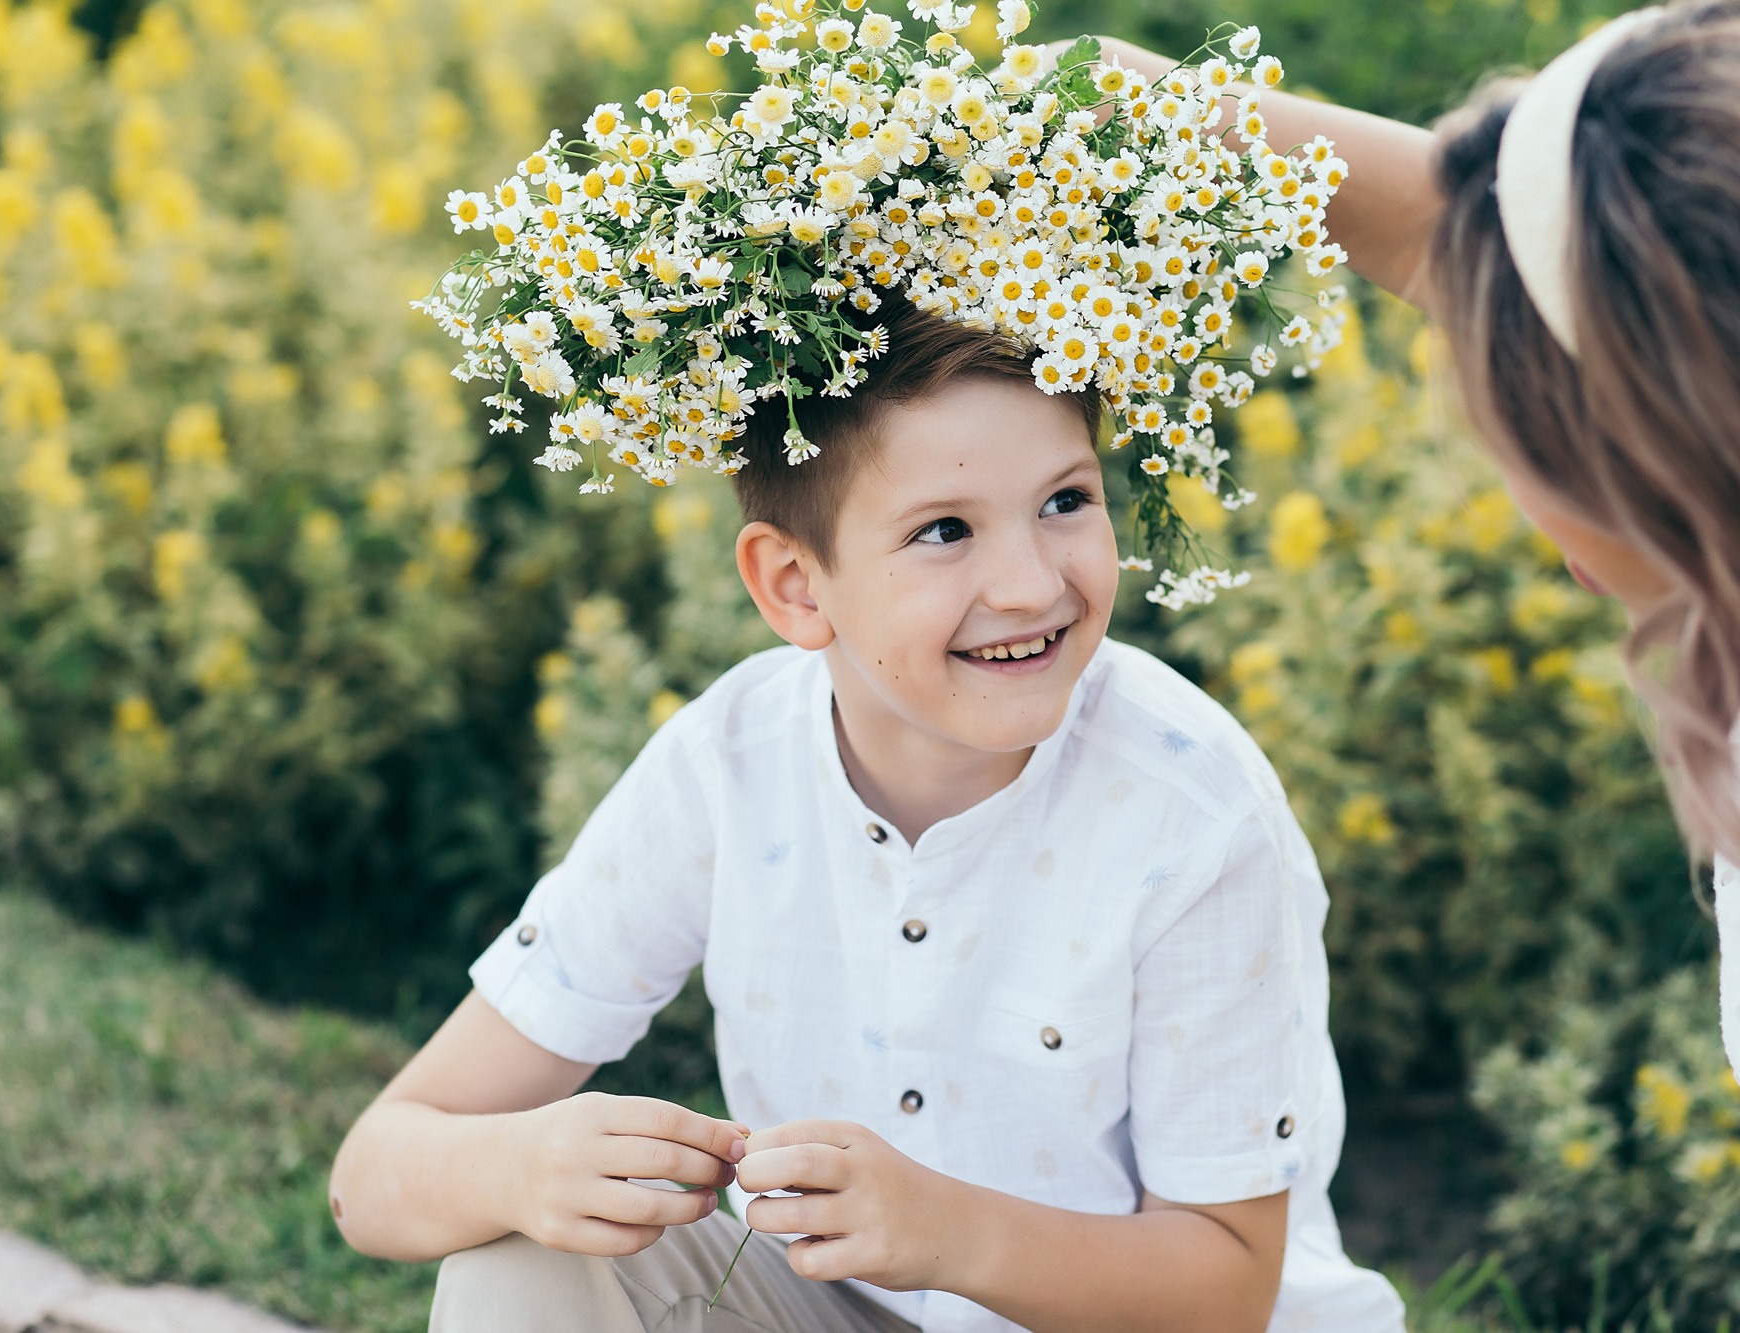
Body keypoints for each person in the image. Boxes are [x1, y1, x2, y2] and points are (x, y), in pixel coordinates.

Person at [1098, 0, 1740, 1321]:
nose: (1535, 519)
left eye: (1547, 455)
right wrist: (1094, 110)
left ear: (1709, 466)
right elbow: (1444, 235)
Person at [329, 285, 1408, 1331]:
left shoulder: (1192, 811)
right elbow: (373, 1175)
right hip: (829, 1308)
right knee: (526, 1257)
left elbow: (1222, 1292)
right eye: (944, 530)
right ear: (795, 585)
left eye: (1065, 502)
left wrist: (949, 1231)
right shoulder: (727, 764)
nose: (1032, 584)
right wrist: (517, 1166)